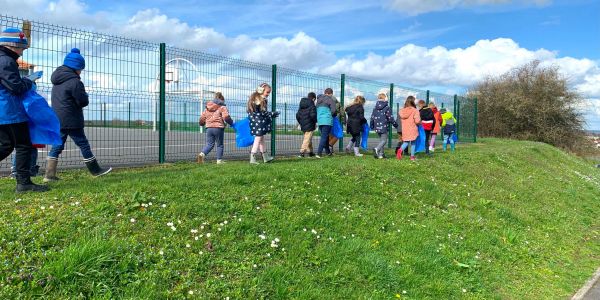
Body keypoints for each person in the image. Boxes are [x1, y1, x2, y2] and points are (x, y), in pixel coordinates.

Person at [44, 48, 112, 182]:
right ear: (76, 67)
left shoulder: (57, 81)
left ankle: (49, 175)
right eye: (81, 68)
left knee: (57, 145)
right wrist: (85, 95)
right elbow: (83, 101)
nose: (81, 71)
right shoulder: (75, 82)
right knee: (83, 144)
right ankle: (95, 170)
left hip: (58, 118)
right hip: (72, 119)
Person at [0, 27, 49, 192]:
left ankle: (24, 182)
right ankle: (24, 183)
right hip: (9, 111)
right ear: (12, 45)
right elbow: (15, 87)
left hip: (3, 110)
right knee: (24, 145)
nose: (22, 52)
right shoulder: (6, 61)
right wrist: (29, 81)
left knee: (6, 145)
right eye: (22, 47)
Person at [197, 92, 233, 164]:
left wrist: (201, 124)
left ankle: (202, 154)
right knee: (220, 145)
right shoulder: (222, 107)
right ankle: (219, 160)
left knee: (209, 144)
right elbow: (226, 117)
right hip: (218, 128)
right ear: (222, 100)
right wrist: (231, 123)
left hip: (209, 128)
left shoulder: (207, 107)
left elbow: (202, 118)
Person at [247, 83, 279, 164]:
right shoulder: (262, 100)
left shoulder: (254, 98)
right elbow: (263, 112)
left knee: (261, 139)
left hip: (254, 122)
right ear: (262, 90)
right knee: (258, 139)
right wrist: (273, 114)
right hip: (260, 122)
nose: (268, 94)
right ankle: (252, 157)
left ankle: (266, 157)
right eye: (267, 92)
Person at [370, 93, 397, 159]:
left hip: (377, 127)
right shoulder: (387, 108)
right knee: (384, 140)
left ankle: (381, 154)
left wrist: (371, 125)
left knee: (381, 140)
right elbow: (390, 117)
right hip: (384, 126)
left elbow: (372, 117)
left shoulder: (375, 108)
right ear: (386, 99)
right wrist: (395, 124)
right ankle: (377, 149)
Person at [397, 96, 421, 161]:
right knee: (413, 143)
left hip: (405, 129)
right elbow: (417, 121)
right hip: (413, 129)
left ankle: (400, 150)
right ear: (413, 102)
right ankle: (412, 157)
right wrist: (420, 122)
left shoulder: (402, 111)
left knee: (406, 142)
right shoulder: (415, 110)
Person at [315, 88, 337, 158]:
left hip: (320, 121)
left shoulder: (318, 101)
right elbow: (333, 111)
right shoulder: (330, 99)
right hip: (327, 120)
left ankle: (328, 152)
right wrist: (332, 115)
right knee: (324, 137)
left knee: (326, 136)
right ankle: (319, 153)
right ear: (330, 94)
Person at [296, 92, 317, 158]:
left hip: (303, 124)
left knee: (308, 138)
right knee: (307, 139)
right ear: (313, 99)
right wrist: (316, 121)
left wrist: (300, 122)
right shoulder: (312, 105)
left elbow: (297, 115)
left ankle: (310, 152)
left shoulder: (301, 104)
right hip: (310, 124)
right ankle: (302, 152)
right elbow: (313, 115)